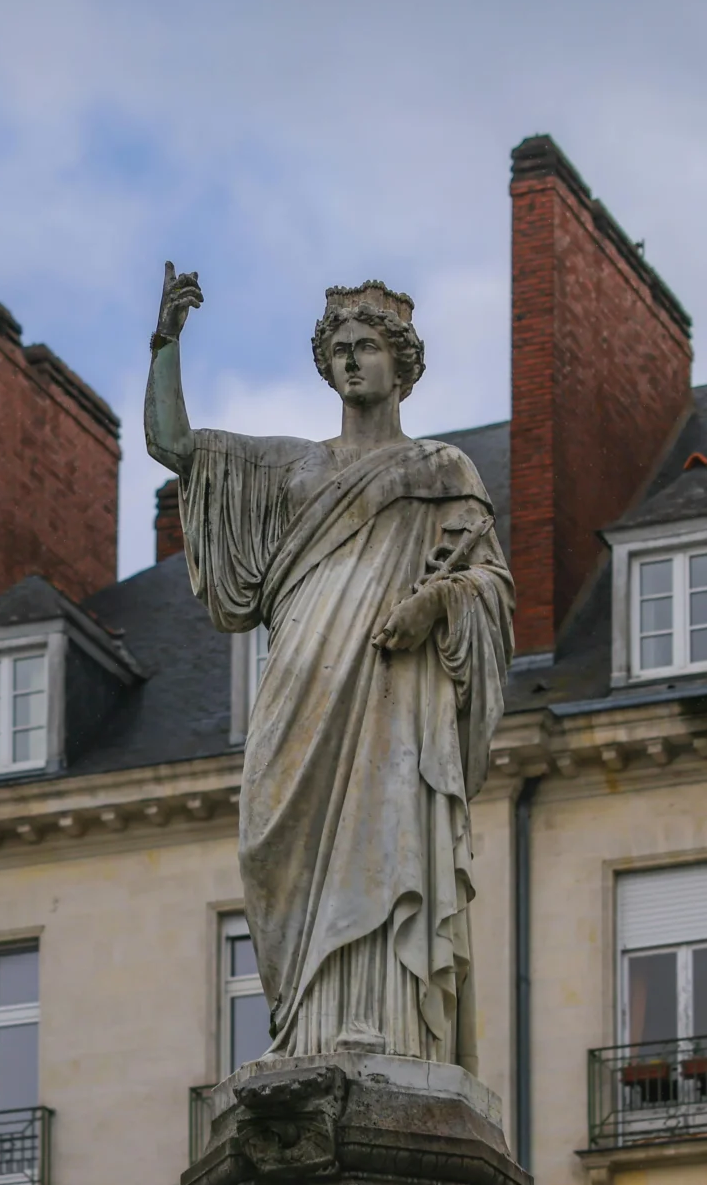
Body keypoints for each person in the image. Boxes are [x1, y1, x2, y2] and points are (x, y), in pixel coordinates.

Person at [145, 263, 513, 1071]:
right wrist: (166, 341)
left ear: (402, 364)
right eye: (340, 348)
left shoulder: (441, 472)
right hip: (299, 692)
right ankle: (303, 1030)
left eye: (369, 347)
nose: (353, 361)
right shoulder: (289, 469)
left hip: (390, 699)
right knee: (277, 853)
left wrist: (438, 604)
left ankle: (386, 1030)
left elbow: (490, 584)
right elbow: (173, 445)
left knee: (385, 842)